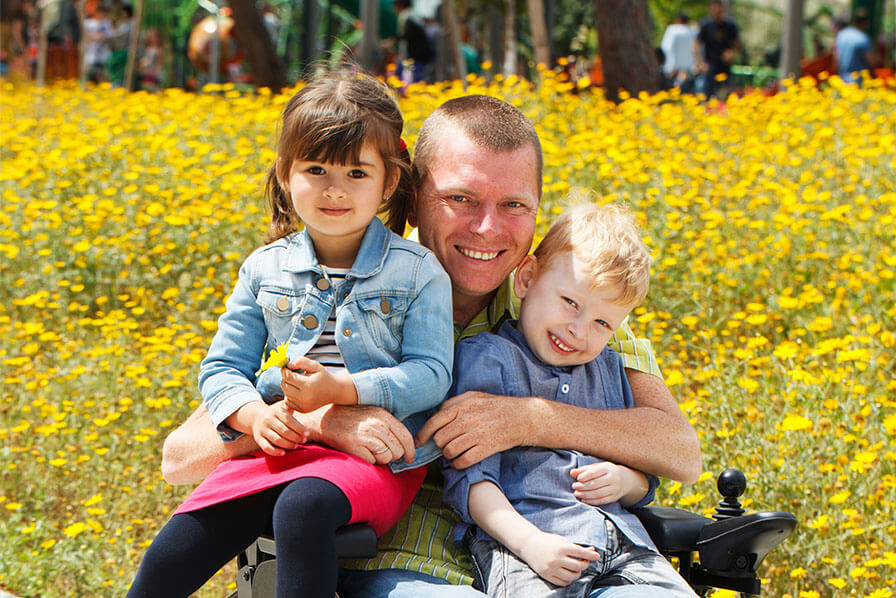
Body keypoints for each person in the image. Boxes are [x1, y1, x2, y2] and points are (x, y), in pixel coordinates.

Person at [161, 93, 702, 597]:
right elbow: (181, 456)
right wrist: (327, 418)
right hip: (400, 561)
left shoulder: (567, 306)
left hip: (555, 553)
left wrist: (530, 418)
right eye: (461, 199)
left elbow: (679, 450)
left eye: (515, 204)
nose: (488, 228)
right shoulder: (362, 286)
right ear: (413, 196)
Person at [126, 70, 454, 598]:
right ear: (285, 172)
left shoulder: (417, 273)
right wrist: (255, 418)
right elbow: (221, 367)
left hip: (376, 460)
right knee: (171, 552)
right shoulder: (263, 269)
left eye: (356, 172)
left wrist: (342, 391)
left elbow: (432, 374)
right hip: (277, 443)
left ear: (389, 182)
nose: (334, 189)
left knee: (301, 508)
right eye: (316, 168)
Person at [442, 203, 697, 597]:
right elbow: (472, 479)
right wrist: (529, 544)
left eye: (602, 323)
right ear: (526, 278)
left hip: (626, 547)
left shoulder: (609, 369)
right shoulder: (488, 360)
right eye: (571, 303)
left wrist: (625, 480)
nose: (578, 331)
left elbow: (645, 479)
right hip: (530, 548)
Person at [694, 0, 740, 99]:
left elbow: (737, 45)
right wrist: (700, 62)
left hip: (725, 67)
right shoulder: (705, 25)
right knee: (708, 97)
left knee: (727, 96)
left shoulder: (730, 26)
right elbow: (695, 44)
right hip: (710, 66)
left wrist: (731, 53)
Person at [834, 8, 877, 85]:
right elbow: (872, 62)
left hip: (842, 81)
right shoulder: (863, 39)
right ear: (865, 23)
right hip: (859, 82)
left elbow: (836, 58)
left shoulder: (841, 35)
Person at [660, 12, 697, 93]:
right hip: (689, 69)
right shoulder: (693, 31)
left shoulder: (672, 30)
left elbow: (666, 48)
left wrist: (669, 65)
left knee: (673, 90)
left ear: (678, 20)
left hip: (673, 68)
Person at [82, 3, 112, 83]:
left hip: (104, 56)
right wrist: (96, 36)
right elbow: (85, 37)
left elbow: (109, 36)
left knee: (104, 79)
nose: (103, 15)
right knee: (88, 78)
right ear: (96, 13)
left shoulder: (107, 23)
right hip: (90, 55)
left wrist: (97, 36)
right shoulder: (88, 23)